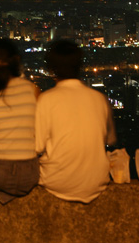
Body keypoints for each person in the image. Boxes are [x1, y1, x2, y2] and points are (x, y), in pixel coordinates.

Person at [35, 40, 116, 203]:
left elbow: (36, 146)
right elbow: (111, 139)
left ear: (52, 70)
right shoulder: (99, 99)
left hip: (57, 182)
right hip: (97, 181)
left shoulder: (47, 99)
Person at [0, 39, 41, 204]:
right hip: (29, 175)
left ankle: (3, 198)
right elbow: (40, 134)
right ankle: (11, 196)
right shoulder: (33, 90)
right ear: (16, 60)